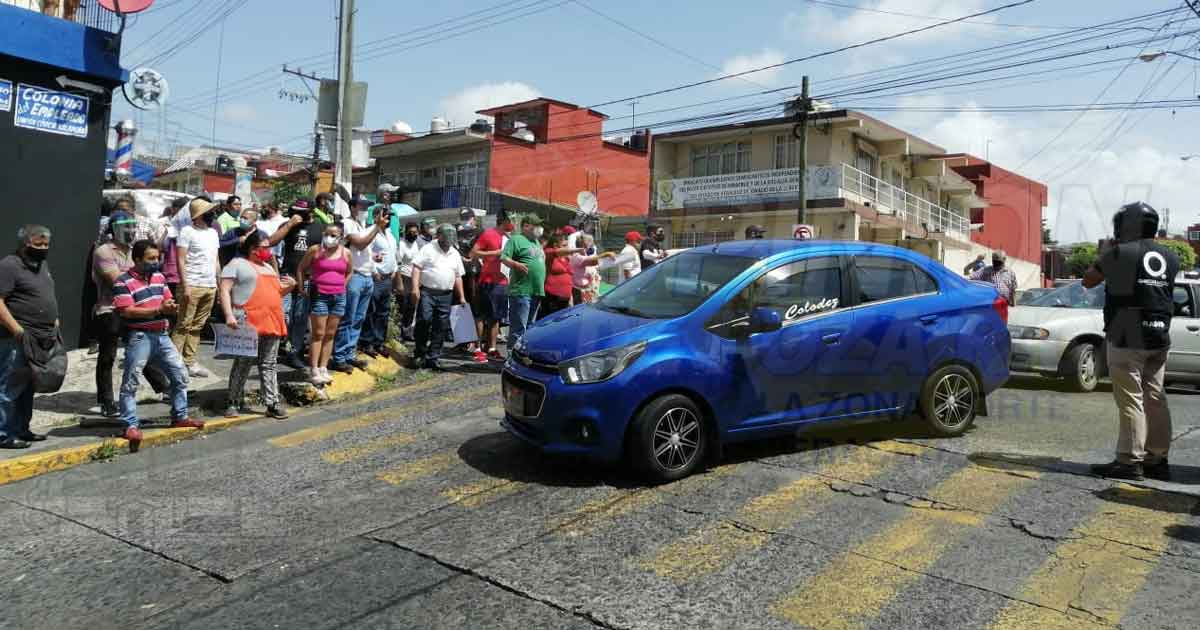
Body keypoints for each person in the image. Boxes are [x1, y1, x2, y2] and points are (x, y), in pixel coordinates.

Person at [1082, 202, 1179, 481]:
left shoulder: (1118, 252)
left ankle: (1129, 461)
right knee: (1155, 398)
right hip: (1159, 334)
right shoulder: (1170, 257)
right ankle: (1157, 460)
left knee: (1131, 400)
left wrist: (1103, 254)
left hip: (1127, 335)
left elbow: (1088, 281)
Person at [112, 240, 203, 444]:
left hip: (162, 336)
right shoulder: (122, 282)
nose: (156, 262)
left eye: (157, 258)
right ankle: (129, 425)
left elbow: (167, 300)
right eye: (150, 259)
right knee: (131, 381)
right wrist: (159, 310)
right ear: (136, 259)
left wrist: (171, 306)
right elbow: (126, 311)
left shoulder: (159, 277)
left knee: (180, 374)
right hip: (140, 337)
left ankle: (180, 416)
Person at [92, 212, 169, 418]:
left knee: (143, 348)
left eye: (133, 227)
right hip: (110, 309)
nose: (131, 231)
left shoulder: (135, 251)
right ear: (114, 229)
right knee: (107, 356)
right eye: (126, 227)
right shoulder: (104, 252)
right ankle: (106, 400)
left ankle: (164, 387)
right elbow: (118, 281)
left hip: (135, 307)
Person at [219, 231, 294, 419]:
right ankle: (233, 402)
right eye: (265, 247)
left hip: (272, 320)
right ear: (253, 249)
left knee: (269, 363)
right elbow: (224, 290)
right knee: (243, 362)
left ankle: (272, 403)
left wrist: (290, 287)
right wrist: (229, 315)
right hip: (247, 319)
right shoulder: (236, 264)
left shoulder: (269, 268)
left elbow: (275, 294)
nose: (269, 251)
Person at [0, 226, 58, 448]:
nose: (43, 248)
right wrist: (17, 330)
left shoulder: (41, 265)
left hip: (40, 337)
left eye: (46, 244)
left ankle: (22, 429)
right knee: (9, 387)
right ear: (25, 244)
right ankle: (3, 434)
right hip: (16, 338)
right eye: (38, 244)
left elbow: (46, 293)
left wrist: (55, 320)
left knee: (27, 387)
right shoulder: (9, 265)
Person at [269, 199, 330, 370]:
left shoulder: (320, 228)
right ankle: (277, 347)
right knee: (282, 314)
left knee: (300, 318)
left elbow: (326, 253)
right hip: (287, 276)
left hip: (307, 279)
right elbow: (271, 242)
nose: (298, 214)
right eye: (295, 211)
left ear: (311, 211)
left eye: (302, 212)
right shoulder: (288, 224)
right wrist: (289, 225)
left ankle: (294, 353)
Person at [330, 199, 389, 373]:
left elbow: (363, 251)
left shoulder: (362, 225)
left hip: (366, 276)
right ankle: (339, 357)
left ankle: (349, 354)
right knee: (348, 318)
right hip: (353, 276)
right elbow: (360, 243)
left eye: (366, 207)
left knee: (358, 319)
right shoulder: (346, 224)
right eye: (361, 206)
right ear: (353, 207)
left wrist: (373, 259)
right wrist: (377, 227)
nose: (365, 209)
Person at [296, 223, 351, 386]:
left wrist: (343, 285)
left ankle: (323, 367)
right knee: (318, 333)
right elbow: (301, 268)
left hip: (338, 296)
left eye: (334, 235)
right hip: (320, 295)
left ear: (341, 237)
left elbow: (349, 271)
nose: (330, 237)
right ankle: (313, 368)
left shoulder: (346, 253)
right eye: (327, 234)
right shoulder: (315, 250)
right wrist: (301, 286)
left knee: (330, 333)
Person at [172, 198, 222, 378]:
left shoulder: (213, 233)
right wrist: (185, 285)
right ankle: (174, 363)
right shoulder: (186, 231)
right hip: (192, 284)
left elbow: (216, 260)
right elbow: (181, 260)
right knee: (183, 325)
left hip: (209, 285)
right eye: (209, 212)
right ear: (199, 215)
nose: (213, 214)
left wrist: (218, 283)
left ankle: (189, 361)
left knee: (197, 326)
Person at [410, 224, 466, 370]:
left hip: (446, 294)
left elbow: (458, 276)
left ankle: (433, 357)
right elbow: (416, 267)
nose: (449, 243)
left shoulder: (454, 253)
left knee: (440, 326)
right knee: (424, 320)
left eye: (451, 240)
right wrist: (415, 288)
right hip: (428, 292)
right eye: (447, 239)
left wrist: (461, 297)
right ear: (439, 236)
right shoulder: (428, 249)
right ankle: (419, 354)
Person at [471, 209, 514, 361]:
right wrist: (495, 253)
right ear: (504, 221)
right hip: (487, 281)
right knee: (482, 315)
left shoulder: (510, 237)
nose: (514, 224)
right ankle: (477, 347)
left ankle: (492, 347)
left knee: (496, 317)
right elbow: (474, 252)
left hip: (502, 282)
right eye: (511, 221)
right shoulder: (488, 234)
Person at [501, 215, 547, 350]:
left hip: (536, 291)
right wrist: (516, 265)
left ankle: (523, 357)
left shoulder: (537, 243)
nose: (539, 228)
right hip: (521, 291)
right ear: (526, 226)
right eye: (536, 225)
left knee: (530, 328)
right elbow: (504, 258)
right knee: (519, 327)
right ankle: (511, 358)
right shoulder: (516, 240)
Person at [361, 205, 400, 358]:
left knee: (383, 312)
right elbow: (365, 253)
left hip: (388, 278)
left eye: (390, 216)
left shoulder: (390, 234)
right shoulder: (371, 232)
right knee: (371, 310)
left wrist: (395, 270)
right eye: (385, 215)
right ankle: (367, 342)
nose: (388, 219)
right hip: (376, 277)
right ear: (376, 215)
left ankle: (379, 342)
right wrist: (374, 271)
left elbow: (392, 254)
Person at [457, 208, 486, 362]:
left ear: (474, 218)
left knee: (476, 309)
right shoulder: (457, 231)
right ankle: (463, 341)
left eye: (468, 217)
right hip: (460, 273)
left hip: (475, 273)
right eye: (463, 218)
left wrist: (472, 258)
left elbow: (484, 250)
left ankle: (478, 343)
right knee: (460, 306)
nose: (465, 220)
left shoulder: (481, 232)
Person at [394, 221, 422, 342]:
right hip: (403, 276)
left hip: (414, 278)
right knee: (402, 306)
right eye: (411, 232)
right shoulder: (401, 244)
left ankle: (407, 331)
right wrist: (399, 282)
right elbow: (398, 264)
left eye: (415, 232)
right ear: (406, 232)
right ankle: (398, 333)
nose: (413, 234)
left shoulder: (417, 244)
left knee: (412, 307)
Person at [569, 233, 615, 305]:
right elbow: (592, 261)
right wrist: (606, 254)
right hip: (581, 292)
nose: (592, 247)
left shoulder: (584, 255)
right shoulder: (577, 257)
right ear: (585, 245)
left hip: (589, 291)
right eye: (591, 245)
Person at [541, 232, 575, 318]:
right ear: (555, 245)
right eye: (564, 245)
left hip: (565, 298)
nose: (567, 248)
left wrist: (570, 297)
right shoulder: (548, 253)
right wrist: (578, 250)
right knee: (550, 321)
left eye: (567, 245)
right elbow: (555, 252)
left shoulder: (566, 258)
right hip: (552, 296)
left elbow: (569, 276)